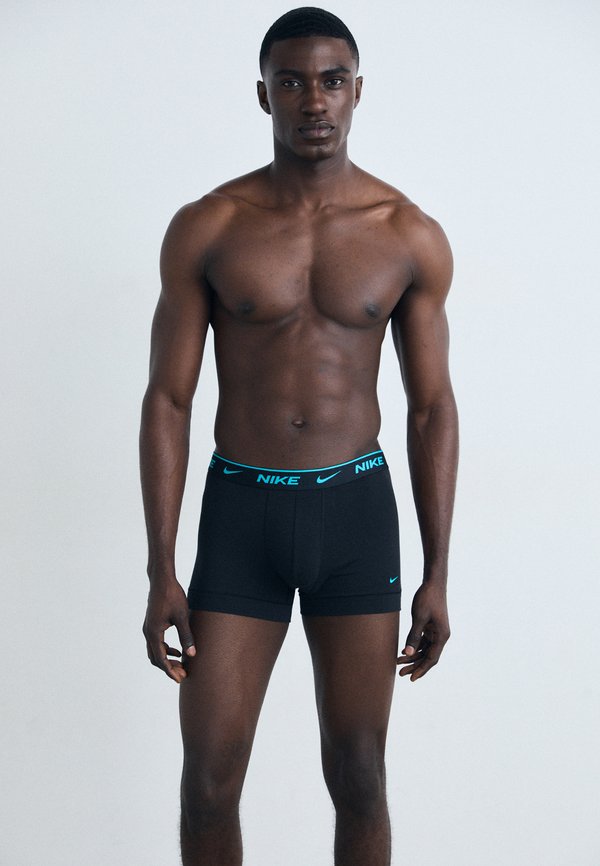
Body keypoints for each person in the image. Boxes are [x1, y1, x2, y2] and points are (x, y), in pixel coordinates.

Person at [140, 7, 458, 865]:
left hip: (355, 516)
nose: (313, 100)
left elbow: (432, 408)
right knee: (208, 781)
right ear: (263, 95)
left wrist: (437, 572)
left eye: (330, 81)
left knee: (360, 775)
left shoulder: (406, 234)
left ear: (357, 91)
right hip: (240, 515)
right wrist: (160, 564)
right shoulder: (210, 226)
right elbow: (168, 399)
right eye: (291, 82)